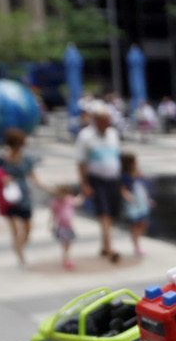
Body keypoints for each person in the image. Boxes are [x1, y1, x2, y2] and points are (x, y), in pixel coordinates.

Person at [75, 101, 124, 262]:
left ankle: (105, 245)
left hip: (113, 179)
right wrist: (84, 184)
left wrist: (122, 181)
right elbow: (81, 162)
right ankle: (110, 247)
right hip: (97, 180)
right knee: (104, 212)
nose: (107, 124)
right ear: (96, 121)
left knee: (111, 213)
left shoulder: (113, 134)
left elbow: (117, 157)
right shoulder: (85, 136)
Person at [0, 128, 44, 265]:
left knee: (28, 227)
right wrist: (3, 179)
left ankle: (19, 247)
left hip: (24, 195)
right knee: (15, 229)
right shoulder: (2, 160)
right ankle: (20, 254)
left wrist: (49, 188)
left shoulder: (26, 159)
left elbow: (34, 178)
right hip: (9, 196)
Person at [119, 150, 153, 259]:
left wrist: (148, 199)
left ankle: (137, 240)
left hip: (141, 200)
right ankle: (136, 244)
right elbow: (123, 189)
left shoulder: (137, 173)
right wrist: (128, 197)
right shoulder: (125, 176)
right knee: (135, 223)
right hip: (133, 202)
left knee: (143, 222)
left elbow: (143, 187)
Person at [49, 180, 81, 270]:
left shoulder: (70, 200)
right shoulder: (56, 202)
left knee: (69, 241)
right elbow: (53, 214)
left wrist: (83, 193)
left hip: (69, 225)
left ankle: (67, 256)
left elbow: (78, 201)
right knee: (65, 241)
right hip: (61, 226)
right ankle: (66, 257)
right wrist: (51, 225)